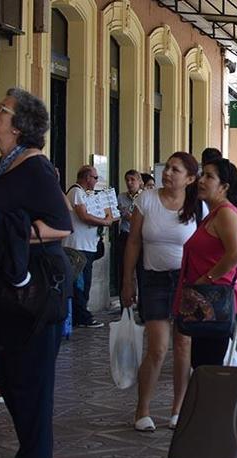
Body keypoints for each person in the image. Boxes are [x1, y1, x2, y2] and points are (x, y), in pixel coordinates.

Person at [0, 88, 73, 458]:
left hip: (35, 292)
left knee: (30, 380)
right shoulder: (4, 163)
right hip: (9, 290)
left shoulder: (34, 167)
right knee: (12, 377)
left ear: (20, 126)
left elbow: (63, 223)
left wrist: (17, 237)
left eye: (1, 110)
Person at [121, 152, 205, 432]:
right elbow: (133, 242)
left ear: (190, 179)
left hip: (187, 282)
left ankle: (178, 409)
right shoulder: (147, 200)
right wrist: (127, 281)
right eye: (167, 168)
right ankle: (142, 409)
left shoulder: (198, 207)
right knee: (157, 347)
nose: (168, 173)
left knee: (183, 347)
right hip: (153, 280)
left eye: (176, 170)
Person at [175, 158, 237, 368]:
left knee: (209, 365)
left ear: (224, 186)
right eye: (202, 175)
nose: (201, 180)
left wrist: (207, 279)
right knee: (202, 364)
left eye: (209, 176)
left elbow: (235, 254)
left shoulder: (225, 214)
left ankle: (212, 401)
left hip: (214, 301)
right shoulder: (213, 214)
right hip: (203, 301)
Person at [62, 164, 115, 328]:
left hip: (89, 246)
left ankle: (81, 313)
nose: (97, 181)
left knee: (85, 283)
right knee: (79, 283)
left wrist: (108, 215)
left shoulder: (90, 195)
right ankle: (82, 316)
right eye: (95, 178)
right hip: (77, 246)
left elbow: (105, 212)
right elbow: (83, 215)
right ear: (87, 178)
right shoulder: (76, 192)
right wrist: (105, 222)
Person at [117, 170, 142, 305]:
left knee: (141, 273)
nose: (129, 183)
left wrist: (132, 218)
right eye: (127, 180)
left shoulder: (144, 197)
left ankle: (143, 307)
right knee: (124, 271)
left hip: (140, 237)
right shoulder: (121, 197)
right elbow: (117, 212)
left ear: (139, 181)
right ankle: (124, 306)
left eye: (133, 179)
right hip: (125, 235)